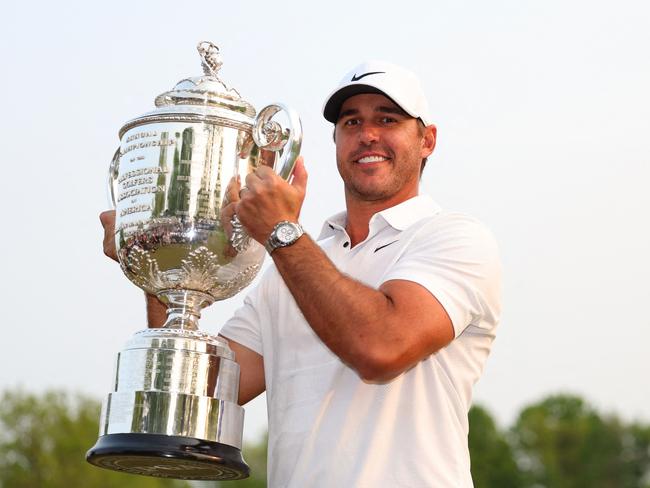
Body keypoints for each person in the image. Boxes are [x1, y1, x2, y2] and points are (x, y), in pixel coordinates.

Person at [101, 60, 501, 487]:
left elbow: (380, 348)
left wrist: (280, 231)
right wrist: (162, 257)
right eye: (352, 122)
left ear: (427, 140)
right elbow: (204, 394)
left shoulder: (454, 238)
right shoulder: (287, 272)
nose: (368, 134)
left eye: (388, 119)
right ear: (336, 142)